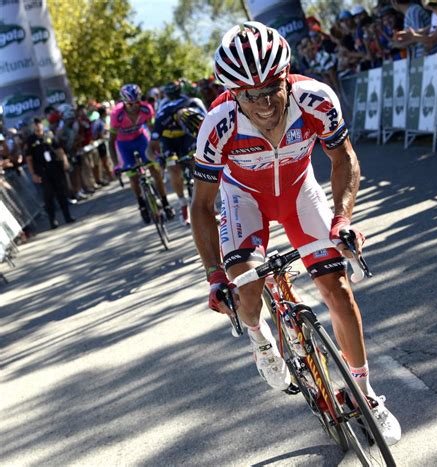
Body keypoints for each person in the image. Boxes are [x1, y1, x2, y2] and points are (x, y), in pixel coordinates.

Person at [190, 21, 401, 446]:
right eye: (250, 95)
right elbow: (202, 206)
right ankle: (260, 340)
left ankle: (366, 394)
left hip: (299, 189)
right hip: (243, 199)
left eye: (273, 87)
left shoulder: (315, 99)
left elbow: (344, 159)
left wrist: (342, 219)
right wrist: (215, 275)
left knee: (338, 288)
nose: (265, 102)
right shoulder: (217, 125)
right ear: (232, 92)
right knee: (248, 291)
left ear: (287, 74)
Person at [109, 84, 174, 223]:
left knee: (154, 170)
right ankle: (142, 205)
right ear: (124, 102)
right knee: (133, 175)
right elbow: (111, 142)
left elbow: (153, 133)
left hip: (141, 139)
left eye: (137, 102)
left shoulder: (146, 109)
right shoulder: (116, 115)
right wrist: (116, 165)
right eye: (130, 103)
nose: (134, 106)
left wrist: (158, 154)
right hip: (123, 144)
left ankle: (165, 203)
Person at [148, 81, 207, 226]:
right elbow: (150, 148)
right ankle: (182, 204)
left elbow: (209, 128)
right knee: (172, 167)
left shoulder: (194, 103)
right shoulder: (164, 115)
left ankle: (207, 204)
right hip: (169, 140)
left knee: (196, 161)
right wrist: (156, 160)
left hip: (188, 138)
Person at [25, 118, 75, 229]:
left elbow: (59, 149)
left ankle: (67, 216)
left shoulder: (49, 135)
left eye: (39, 125)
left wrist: (65, 161)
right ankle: (53, 221)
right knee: (48, 197)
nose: (38, 127)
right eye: (36, 126)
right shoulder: (31, 140)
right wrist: (33, 173)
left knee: (61, 193)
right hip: (42, 171)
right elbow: (29, 158)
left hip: (55, 168)